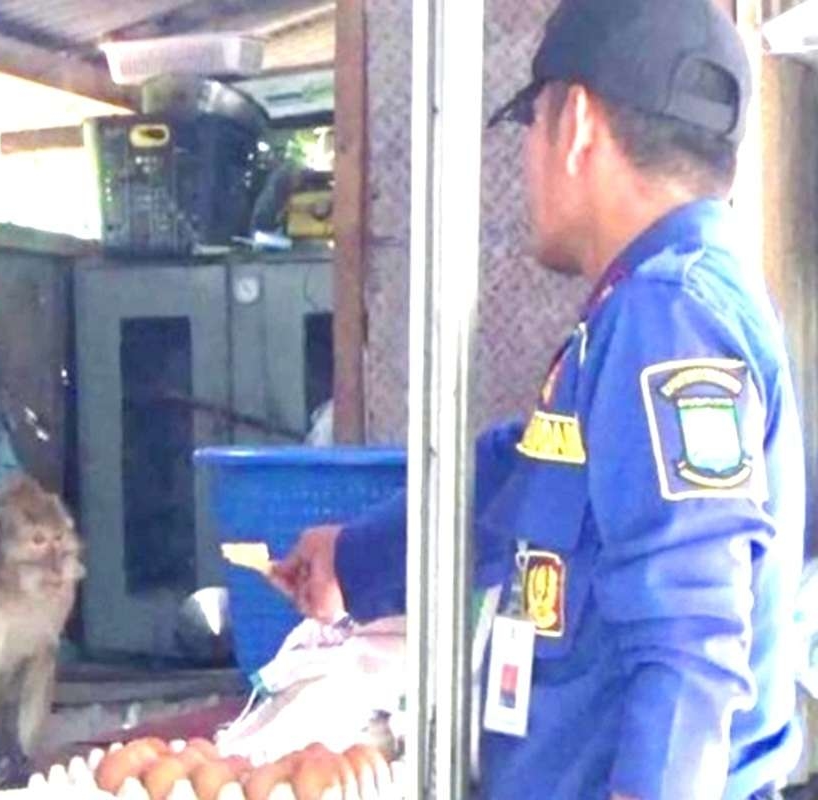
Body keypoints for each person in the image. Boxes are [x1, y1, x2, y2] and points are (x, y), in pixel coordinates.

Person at [270, 0, 805, 798]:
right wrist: (359, 558)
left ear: (578, 124)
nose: (525, 156)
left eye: (529, 119)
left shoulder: (672, 316)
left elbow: (691, 640)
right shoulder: (646, 315)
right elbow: (526, 474)